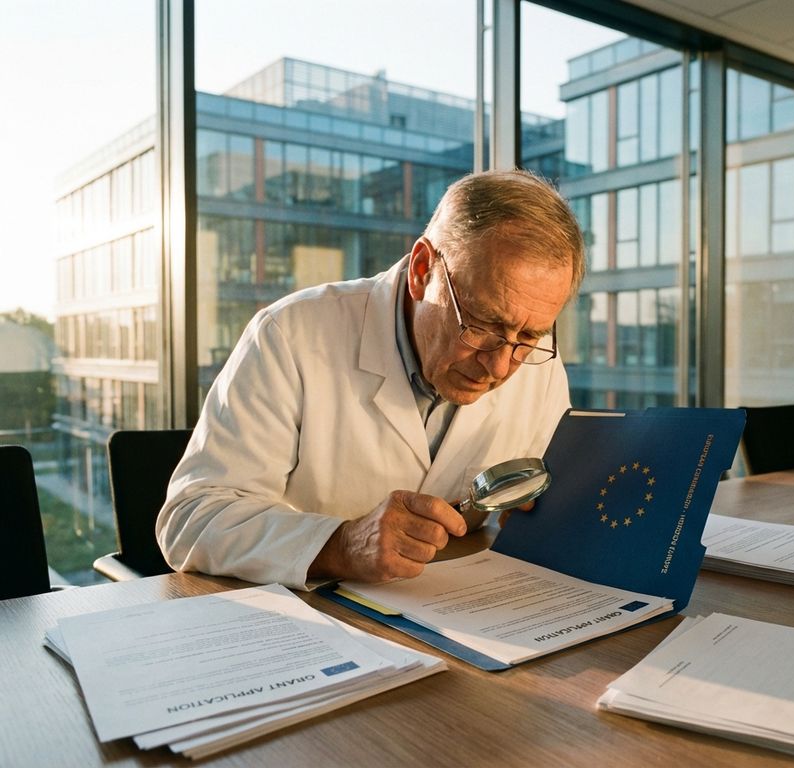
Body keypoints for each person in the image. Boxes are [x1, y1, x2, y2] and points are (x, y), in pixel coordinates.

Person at [156, 169, 585, 590]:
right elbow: (192, 519)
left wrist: (538, 514)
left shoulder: (535, 360)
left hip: (453, 608)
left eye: (528, 335)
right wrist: (340, 544)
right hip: (313, 619)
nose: (499, 366)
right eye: (482, 324)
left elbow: (543, 492)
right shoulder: (290, 334)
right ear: (422, 270)